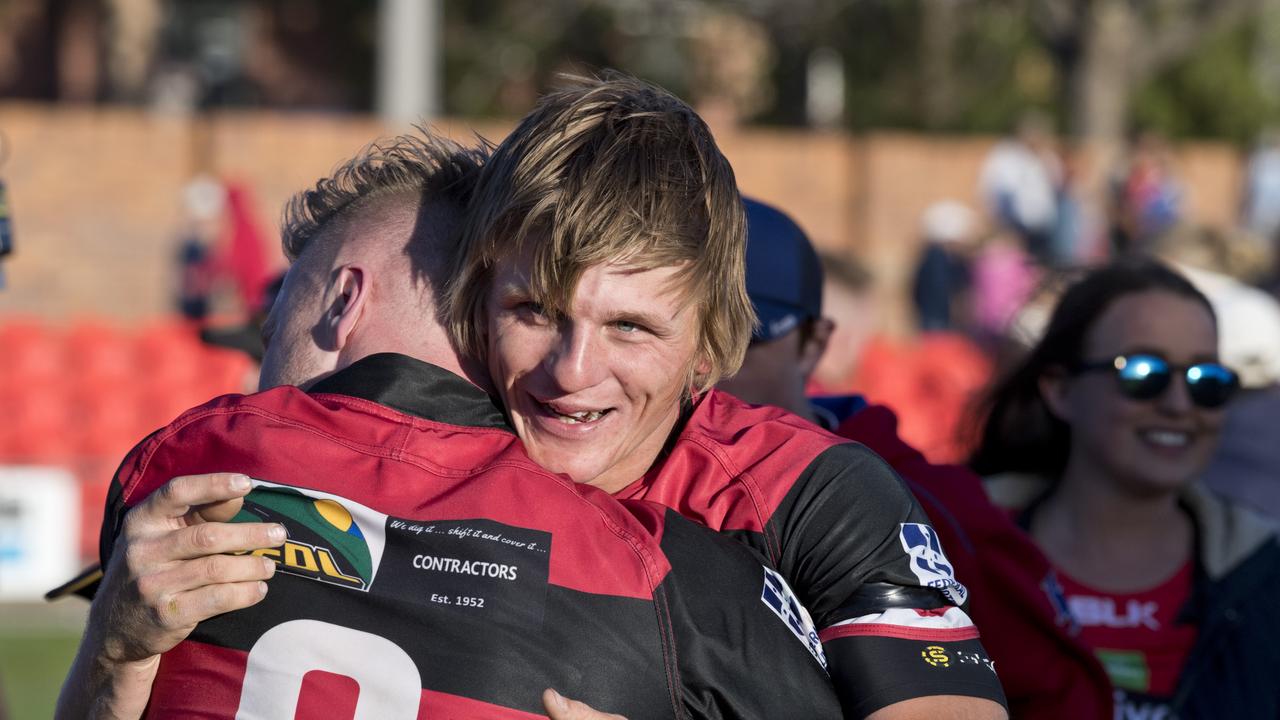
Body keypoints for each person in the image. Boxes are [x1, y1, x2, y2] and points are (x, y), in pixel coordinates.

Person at [56, 131, 842, 719]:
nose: (264, 356)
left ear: (341, 301)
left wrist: (112, 654)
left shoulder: (182, 479)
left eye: (275, 318)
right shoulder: (670, 567)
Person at [447, 73, 1007, 718]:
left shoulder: (807, 487)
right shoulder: (408, 440)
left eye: (629, 327)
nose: (572, 371)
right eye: (534, 311)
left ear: (709, 345)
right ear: (476, 309)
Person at [719, 196, 1114, 718]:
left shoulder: (923, 501)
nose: (705, 363)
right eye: (646, 328)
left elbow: (1060, 694)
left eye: (741, 336)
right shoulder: (591, 473)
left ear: (815, 343)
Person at [971, 260, 1280, 718]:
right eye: (1142, 373)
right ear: (1059, 390)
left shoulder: (1265, 571)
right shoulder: (955, 549)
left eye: (1207, 381)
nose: (1179, 405)